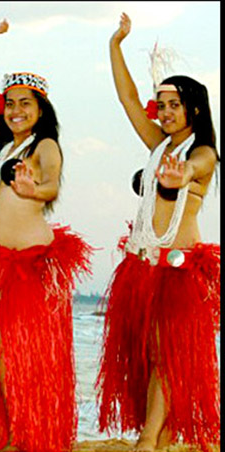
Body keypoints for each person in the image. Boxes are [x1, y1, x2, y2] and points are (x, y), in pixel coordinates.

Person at [0, 20, 93, 452]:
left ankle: (21, 434)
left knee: (9, 346)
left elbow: (50, 183)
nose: (14, 110)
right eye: (9, 103)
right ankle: (16, 429)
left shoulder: (44, 145)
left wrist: (36, 190)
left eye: (24, 103)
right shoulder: (4, 146)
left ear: (40, 108)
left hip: (30, 262)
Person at [95, 13, 220, 452]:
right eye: (161, 105)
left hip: (179, 272)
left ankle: (147, 441)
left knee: (168, 358)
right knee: (151, 357)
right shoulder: (158, 146)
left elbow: (199, 167)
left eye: (174, 105)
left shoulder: (200, 151)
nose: (164, 113)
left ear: (194, 109)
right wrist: (115, 46)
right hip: (144, 266)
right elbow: (128, 99)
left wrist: (181, 176)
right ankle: (160, 439)